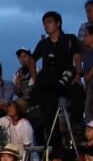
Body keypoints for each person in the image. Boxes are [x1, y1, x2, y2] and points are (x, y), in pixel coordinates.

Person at [31, 10, 83, 142]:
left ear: (58, 23)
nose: (46, 25)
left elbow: (77, 57)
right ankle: (54, 141)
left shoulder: (69, 39)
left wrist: (78, 74)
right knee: (47, 111)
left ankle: (77, 125)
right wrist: (35, 78)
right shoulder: (43, 43)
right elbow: (32, 59)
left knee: (77, 91)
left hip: (65, 77)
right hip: (47, 81)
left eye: (49, 22)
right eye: (44, 23)